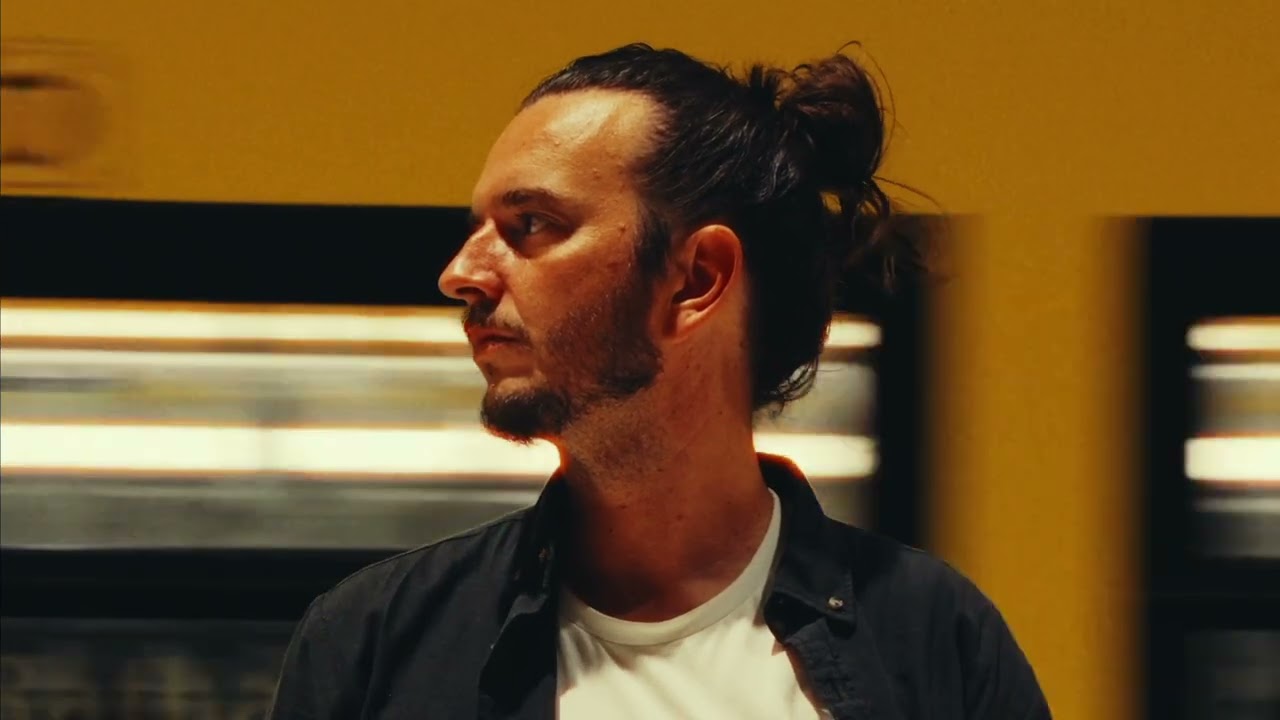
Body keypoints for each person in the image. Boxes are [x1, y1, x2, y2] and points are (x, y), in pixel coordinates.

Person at [266, 43, 1050, 719]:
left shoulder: (933, 639)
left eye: (531, 225)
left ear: (697, 278)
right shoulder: (374, 640)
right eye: (477, 230)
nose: (460, 273)